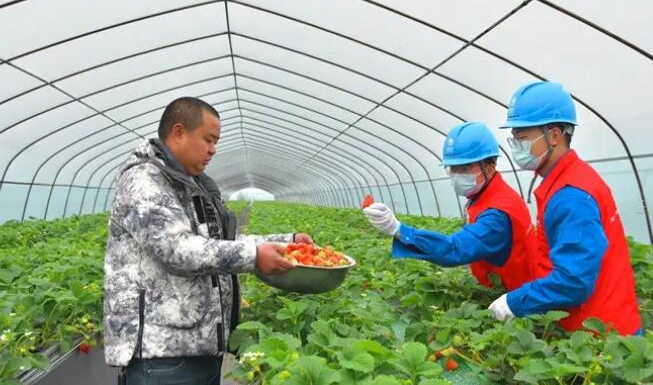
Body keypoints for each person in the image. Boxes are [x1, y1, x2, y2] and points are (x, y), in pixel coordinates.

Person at [104, 97, 314, 384]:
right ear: (179, 132)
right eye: (208, 139)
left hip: (198, 348)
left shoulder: (193, 185)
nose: (214, 149)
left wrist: (288, 243)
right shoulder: (144, 181)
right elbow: (177, 250)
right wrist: (254, 256)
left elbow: (224, 240)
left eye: (216, 142)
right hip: (162, 357)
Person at [488, 81, 642, 336]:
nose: (517, 146)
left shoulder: (571, 196)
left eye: (523, 138)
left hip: (600, 337)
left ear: (555, 135)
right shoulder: (568, 180)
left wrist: (514, 302)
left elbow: (574, 281)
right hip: (601, 323)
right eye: (514, 138)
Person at [362, 122, 537, 291]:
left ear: (489, 170)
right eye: (452, 168)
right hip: (501, 289)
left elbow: (455, 249)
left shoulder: (498, 212)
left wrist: (398, 229)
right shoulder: (486, 196)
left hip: (513, 298)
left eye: (465, 168)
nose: (456, 175)